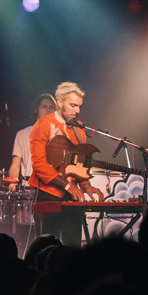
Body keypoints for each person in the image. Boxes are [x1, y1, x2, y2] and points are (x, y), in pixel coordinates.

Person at [28, 82, 102, 246]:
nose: (77, 110)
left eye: (79, 106)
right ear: (59, 102)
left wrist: (85, 185)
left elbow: (80, 164)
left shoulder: (79, 128)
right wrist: (67, 185)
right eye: (73, 105)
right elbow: (39, 164)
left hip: (72, 197)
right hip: (47, 194)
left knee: (73, 247)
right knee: (47, 248)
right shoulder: (42, 125)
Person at [8, 94, 56, 182]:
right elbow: (15, 165)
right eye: (44, 106)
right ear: (36, 109)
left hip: (52, 188)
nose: (48, 110)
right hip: (30, 188)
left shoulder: (58, 134)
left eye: (51, 107)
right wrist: (12, 182)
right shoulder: (22, 134)